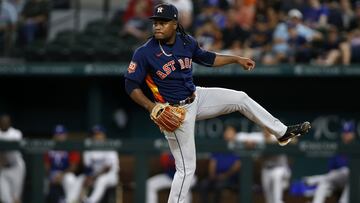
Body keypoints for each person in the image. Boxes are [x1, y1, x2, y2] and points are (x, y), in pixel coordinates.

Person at [124, 3, 311, 202]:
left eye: (163, 22)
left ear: (175, 24)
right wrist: (151, 106)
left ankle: (281, 133)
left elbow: (208, 58)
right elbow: (130, 85)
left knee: (240, 98)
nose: (157, 26)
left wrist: (236, 59)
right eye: (155, 22)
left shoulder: (186, 42)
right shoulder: (144, 52)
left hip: (196, 97)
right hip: (173, 113)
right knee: (187, 168)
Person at [305, 121, 355, 203]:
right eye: (344, 133)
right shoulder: (338, 148)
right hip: (336, 180)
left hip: (352, 181)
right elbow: (331, 170)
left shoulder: (357, 147)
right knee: (324, 183)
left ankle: (316, 179)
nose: (346, 135)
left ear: (353, 134)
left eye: (348, 132)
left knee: (347, 172)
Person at [198, 125, 241, 203]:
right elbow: (213, 162)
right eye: (227, 132)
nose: (228, 134)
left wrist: (225, 175)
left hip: (230, 178)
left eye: (231, 132)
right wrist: (212, 175)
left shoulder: (238, 147)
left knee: (219, 186)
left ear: (235, 135)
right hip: (216, 176)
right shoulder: (220, 146)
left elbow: (237, 165)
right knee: (204, 185)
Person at [81, 125, 120, 203]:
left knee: (101, 180)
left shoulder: (109, 145)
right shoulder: (89, 147)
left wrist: (93, 177)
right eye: (94, 134)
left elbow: (107, 168)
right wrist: (88, 177)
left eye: (99, 134)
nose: (96, 136)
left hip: (110, 175)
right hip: (94, 175)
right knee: (80, 179)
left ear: (104, 135)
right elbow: (87, 166)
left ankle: (91, 201)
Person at [44, 124, 82, 203]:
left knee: (70, 179)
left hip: (65, 173)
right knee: (42, 183)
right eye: (56, 134)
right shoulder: (49, 147)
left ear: (65, 135)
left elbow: (73, 166)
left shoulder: (71, 147)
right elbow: (46, 166)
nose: (58, 137)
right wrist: (50, 176)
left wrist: (62, 175)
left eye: (61, 134)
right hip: (52, 174)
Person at [0, 114, 26, 203]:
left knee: (16, 198)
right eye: (2, 121)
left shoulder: (16, 133)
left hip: (16, 167)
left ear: (10, 123)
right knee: (5, 198)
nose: (4, 123)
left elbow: (13, 144)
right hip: (3, 168)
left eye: (6, 121)